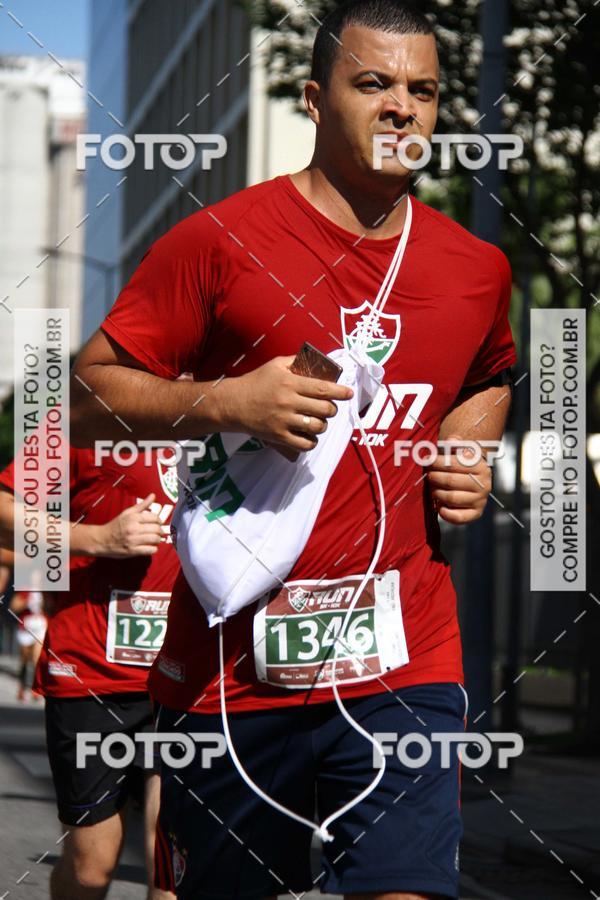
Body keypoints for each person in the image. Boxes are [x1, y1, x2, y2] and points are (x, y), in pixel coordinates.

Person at [70, 1, 516, 897]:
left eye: (423, 91)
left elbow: (490, 375)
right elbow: (84, 395)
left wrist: (469, 451)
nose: (403, 107)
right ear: (315, 100)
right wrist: (228, 400)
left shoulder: (475, 267)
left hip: (404, 656)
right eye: (374, 84)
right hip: (233, 671)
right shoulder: (221, 240)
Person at [0, 443, 177, 900]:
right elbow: (4, 506)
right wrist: (99, 539)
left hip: (190, 675)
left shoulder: (236, 406)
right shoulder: (83, 415)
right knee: (90, 870)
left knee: (172, 865)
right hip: (93, 673)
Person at [10, 583, 47, 701]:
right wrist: (27, 601)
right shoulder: (25, 589)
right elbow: (14, 606)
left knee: (36, 658)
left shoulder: (46, 588)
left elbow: (51, 606)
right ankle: (22, 686)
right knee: (25, 659)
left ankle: (35, 689)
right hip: (26, 626)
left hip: (40, 625)